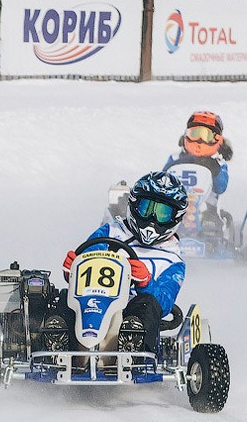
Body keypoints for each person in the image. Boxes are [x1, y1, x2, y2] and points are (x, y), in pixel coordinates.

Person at [60, 171, 189, 358]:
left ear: (175, 217)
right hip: (91, 303)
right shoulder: (112, 231)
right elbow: (86, 259)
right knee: (61, 297)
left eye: (162, 213)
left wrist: (146, 283)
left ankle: (133, 348)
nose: (152, 219)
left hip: (131, 313)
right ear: (134, 205)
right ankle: (57, 342)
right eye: (146, 208)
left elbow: (165, 302)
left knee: (148, 304)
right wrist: (72, 269)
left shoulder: (173, 260)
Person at [162, 110, 233, 222]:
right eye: (194, 134)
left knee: (211, 222)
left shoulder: (219, 163)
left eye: (206, 136)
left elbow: (220, 188)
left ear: (217, 139)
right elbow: (162, 181)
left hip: (207, 209)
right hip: (173, 207)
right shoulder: (175, 158)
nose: (199, 140)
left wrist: (213, 168)